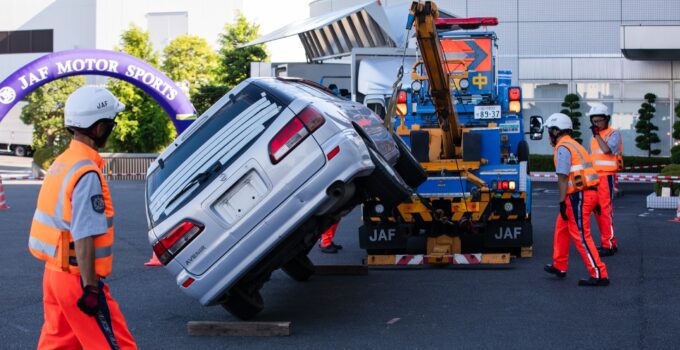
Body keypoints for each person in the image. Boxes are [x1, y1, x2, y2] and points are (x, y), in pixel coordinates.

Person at [29, 86, 137, 349]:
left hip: (54, 276)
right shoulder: (86, 172)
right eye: (110, 123)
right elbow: (83, 233)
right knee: (118, 345)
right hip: (78, 278)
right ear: (99, 128)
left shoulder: (63, 162)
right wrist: (91, 288)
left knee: (60, 344)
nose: (111, 129)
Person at [542, 113, 610, 287]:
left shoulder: (563, 147)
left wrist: (562, 201)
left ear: (557, 131)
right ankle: (559, 265)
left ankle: (599, 274)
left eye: (550, 131)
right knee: (562, 228)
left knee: (581, 236)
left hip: (578, 196)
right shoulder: (574, 144)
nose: (549, 135)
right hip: (587, 193)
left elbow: (563, 178)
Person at [588, 103, 622, 256]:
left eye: (599, 121)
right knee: (598, 212)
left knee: (605, 211)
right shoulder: (594, 137)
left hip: (606, 177)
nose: (596, 124)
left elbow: (607, 150)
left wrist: (596, 135)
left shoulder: (613, 134)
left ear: (606, 119)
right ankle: (608, 242)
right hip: (594, 178)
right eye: (593, 121)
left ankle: (608, 244)